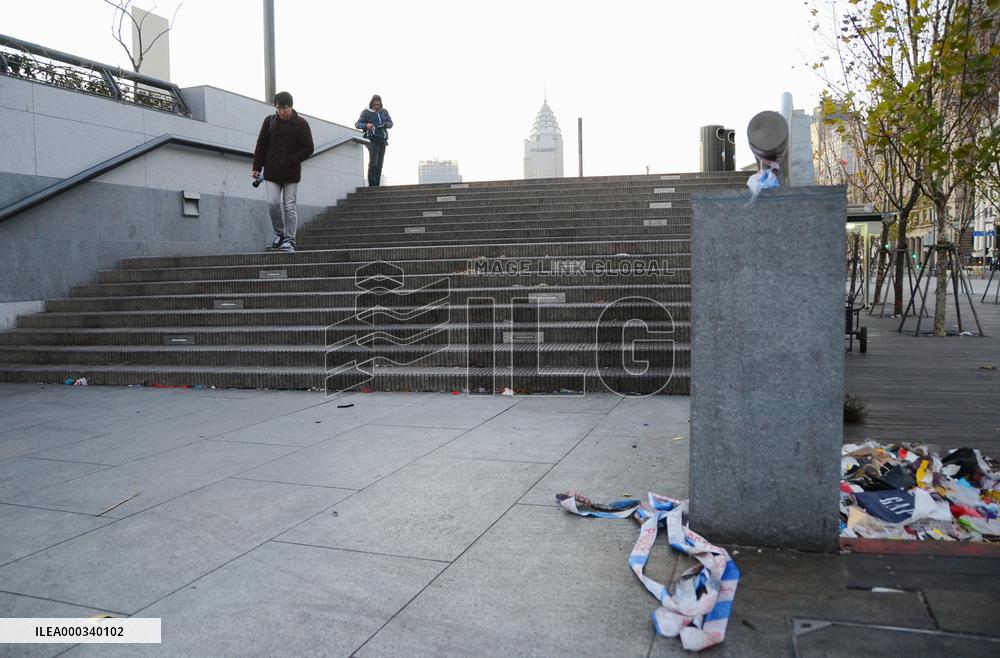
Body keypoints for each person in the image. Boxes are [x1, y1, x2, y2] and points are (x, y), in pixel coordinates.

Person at [252, 91, 314, 252]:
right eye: (278, 108)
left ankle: (290, 239)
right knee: (272, 203)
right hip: (272, 171)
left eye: (284, 108)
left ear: (291, 107)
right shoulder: (270, 122)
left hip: (291, 172)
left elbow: (309, 148)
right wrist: (256, 167)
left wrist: (292, 159)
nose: (281, 112)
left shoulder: (301, 123)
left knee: (289, 205)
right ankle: (279, 234)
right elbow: (261, 145)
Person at [356, 94, 392, 186]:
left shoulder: (384, 112)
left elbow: (391, 123)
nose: (376, 106)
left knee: (380, 164)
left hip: (382, 140)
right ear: (371, 103)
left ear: (381, 104)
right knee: (374, 163)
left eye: (378, 104)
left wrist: (384, 124)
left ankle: (377, 184)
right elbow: (357, 124)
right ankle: (372, 185)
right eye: (375, 104)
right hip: (371, 139)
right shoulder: (366, 112)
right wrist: (366, 125)